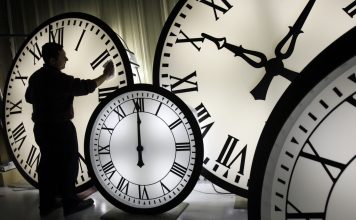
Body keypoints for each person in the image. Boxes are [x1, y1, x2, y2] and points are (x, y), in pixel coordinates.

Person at [25, 42, 114, 217]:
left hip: (41, 128)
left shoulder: (35, 77)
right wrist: (106, 75)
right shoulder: (58, 79)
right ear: (52, 60)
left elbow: (29, 97)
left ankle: (47, 203)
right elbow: (85, 87)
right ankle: (70, 203)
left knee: (47, 165)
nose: (66, 58)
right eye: (62, 56)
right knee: (68, 165)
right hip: (61, 128)